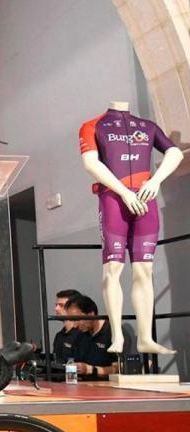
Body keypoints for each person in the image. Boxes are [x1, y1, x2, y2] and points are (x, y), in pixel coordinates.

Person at [80, 101, 183, 355]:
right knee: (113, 269)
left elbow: (176, 153)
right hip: (114, 200)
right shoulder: (93, 125)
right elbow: (91, 163)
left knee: (144, 271)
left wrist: (157, 180)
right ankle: (117, 336)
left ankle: (145, 337)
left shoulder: (146, 126)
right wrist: (124, 192)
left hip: (145, 200)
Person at [65, 294, 117, 379]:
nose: (75, 325)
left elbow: (119, 368)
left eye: (78, 319)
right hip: (82, 385)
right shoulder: (78, 335)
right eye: (72, 320)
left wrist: (91, 370)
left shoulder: (112, 332)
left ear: (91, 314)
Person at [52, 289, 84, 362]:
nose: (56, 308)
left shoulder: (82, 335)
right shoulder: (59, 335)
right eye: (56, 305)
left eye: (61, 305)